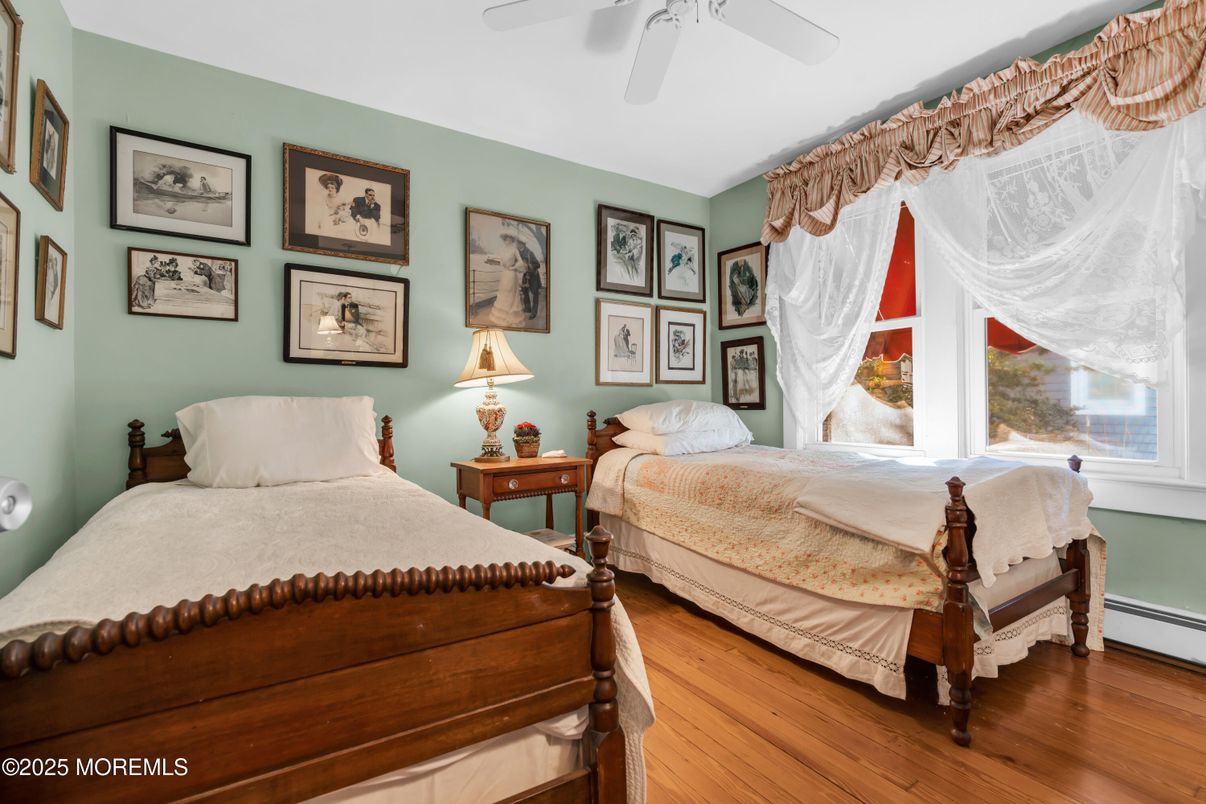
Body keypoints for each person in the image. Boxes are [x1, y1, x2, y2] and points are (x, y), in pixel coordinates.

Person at [488, 231, 527, 328]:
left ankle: (510, 316)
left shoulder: (514, 250)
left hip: (511, 274)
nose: (507, 241)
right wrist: (499, 263)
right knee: (503, 293)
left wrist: (513, 267)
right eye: (505, 239)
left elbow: (521, 262)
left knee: (510, 294)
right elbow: (500, 262)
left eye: (509, 239)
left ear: (512, 240)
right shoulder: (502, 250)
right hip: (504, 274)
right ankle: (502, 316)